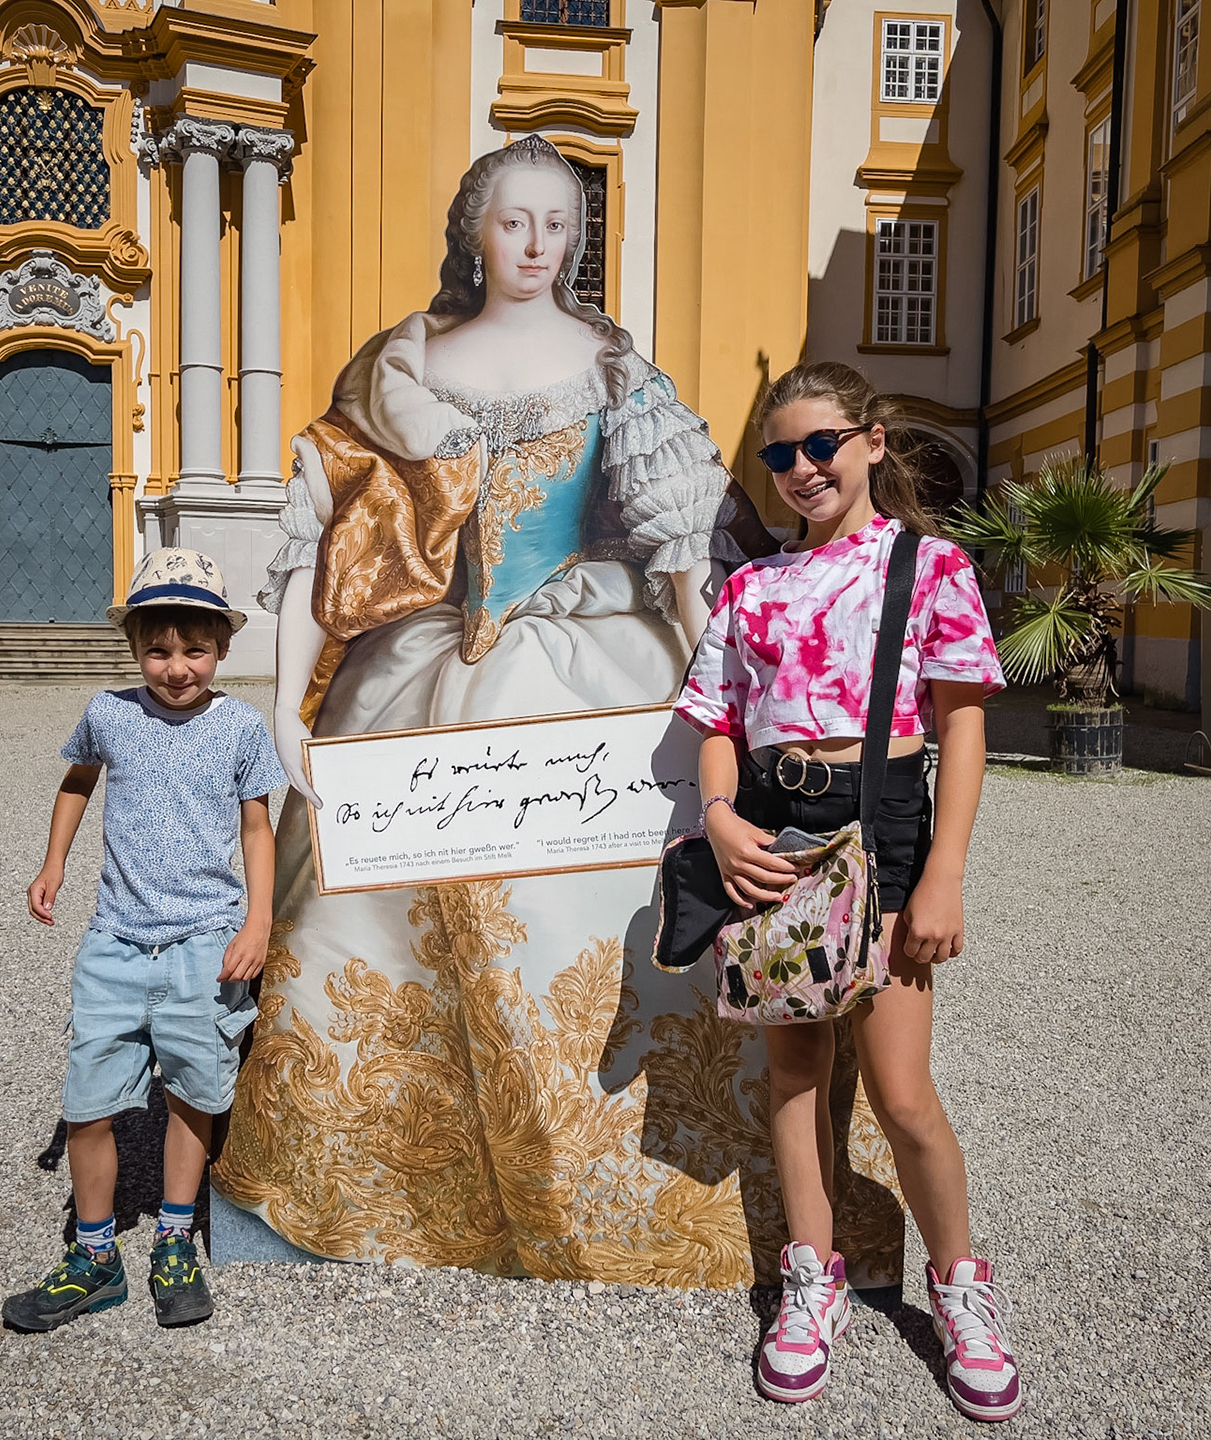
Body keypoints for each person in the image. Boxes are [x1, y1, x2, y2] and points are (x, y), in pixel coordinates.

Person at [209, 136, 804, 1286]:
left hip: (588, 662)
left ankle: (612, 1173)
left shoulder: (613, 369)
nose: (539, 245)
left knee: (598, 903)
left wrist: (713, 691)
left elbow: (683, 547)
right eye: (517, 221)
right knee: (353, 901)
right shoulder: (402, 369)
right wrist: (286, 703)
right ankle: (384, 1175)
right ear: (473, 230)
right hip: (420, 664)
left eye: (560, 224)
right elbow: (327, 544)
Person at [673, 362, 1021, 1419]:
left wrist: (944, 875)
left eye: (821, 444)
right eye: (780, 454)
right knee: (795, 1073)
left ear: (872, 441)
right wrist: (720, 818)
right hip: (775, 832)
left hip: (887, 825)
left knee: (902, 1093)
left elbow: (963, 727)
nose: (801, 468)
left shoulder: (930, 565)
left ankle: (959, 1289)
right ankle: (809, 1278)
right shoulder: (753, 586)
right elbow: (719, 722)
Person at [2, 548, 285, 1333]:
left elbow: (257, 829)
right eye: (157, 650)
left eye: (194, 650)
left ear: (222, 647)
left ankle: (173, 1238)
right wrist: (53, 862)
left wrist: (258, 923)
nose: (176, 668)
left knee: (192, 1093)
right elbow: (78, 779)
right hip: (115, 942)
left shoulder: (240, 726)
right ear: (134, 647)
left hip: (205, 943)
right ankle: (95, 1256)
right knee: (88, 1102)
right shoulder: (108, 713)